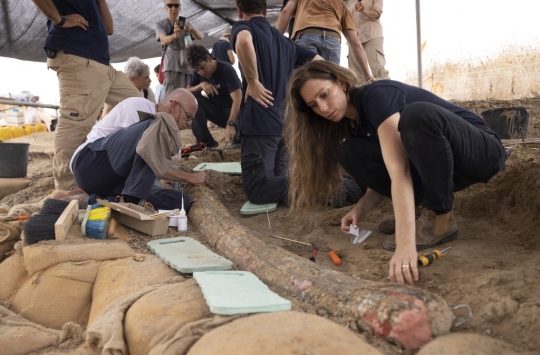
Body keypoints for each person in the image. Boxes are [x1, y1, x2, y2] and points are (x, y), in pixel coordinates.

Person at [284, 61, 507, 285]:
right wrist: (360, 209)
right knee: (349, 153)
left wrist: (405, 245)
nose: (322, 108)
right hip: (443, 167)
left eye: (324, 94)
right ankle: (423, 214)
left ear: (341, 83)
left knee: (416, 115)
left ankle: (440, 218)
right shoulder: (354, 125)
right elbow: (390, 168)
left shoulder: (376, 95)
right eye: (313, 104)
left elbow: (399, 170)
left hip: (480, 152)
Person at [31, 0, 142, 190]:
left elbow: (109, 28)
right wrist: (60, 20)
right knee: (75, 125)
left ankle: (121, 165)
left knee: (141, 107)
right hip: (79, 57)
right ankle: (66, 191)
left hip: (102, 64)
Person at [232, 0, 322, 204]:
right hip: (286, 124)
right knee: (280, 183)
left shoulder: (243, 27)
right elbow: (320, 63)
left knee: (258, 190)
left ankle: (321, 187)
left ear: (239, 11)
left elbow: (244, 42)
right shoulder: (287, 43)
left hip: (260, 122)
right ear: (265, 11)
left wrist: (253, 82)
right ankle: (317, 187)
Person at [71, 89, 209, 211]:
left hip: (115, 183)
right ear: (174, 105)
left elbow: (163, 167)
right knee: (157, 123)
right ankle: (132, 199)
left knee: (182, 201)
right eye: (189, 116)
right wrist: (191, 178)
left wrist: (166, 186)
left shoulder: (171, 133)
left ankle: (106, 201)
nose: (190, 123)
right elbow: (146, 154)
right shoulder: (138, 106)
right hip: (90, 164)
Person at [275, 0, 375, 83]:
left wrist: (274, 42)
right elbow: (355, 42)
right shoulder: (341, 5)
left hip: (307, 36)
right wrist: (367, 74)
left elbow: (285, 12)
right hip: (333, 40)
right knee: (330, 85)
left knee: (302, 84)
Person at [186, 45, 242, 149]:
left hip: (237, 114)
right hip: (218, 113)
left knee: (241, 141)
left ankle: (239, 136)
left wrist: (231, 123)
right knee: (191, 96)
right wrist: (201, 85)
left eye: (202, 67)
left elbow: (238, 99)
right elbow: (187, 91)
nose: (201, 72)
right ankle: (206, 142)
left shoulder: (226, 69)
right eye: (197, 70)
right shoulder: (198, 73)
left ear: (209, 58)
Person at [156, 0, 202, 96]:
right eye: (170, 5)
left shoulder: (185, 23)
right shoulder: (161, 24)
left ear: (180, 8)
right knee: (173, 99)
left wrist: (190, 29)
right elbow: (164, 40)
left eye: (176, 5)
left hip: (188, 67)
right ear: (166, 7)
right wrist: (175, 35)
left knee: (189, 99)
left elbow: (199, 37)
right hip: (173, 68)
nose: (173, 8)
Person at [347, 0, 389, 85]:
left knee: (378, 70)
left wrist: (364, 11)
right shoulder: (350, 1)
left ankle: (385, 94)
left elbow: (377, 14)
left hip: (372, 35)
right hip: (354, 38)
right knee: (355, 74)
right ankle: (360, 96)